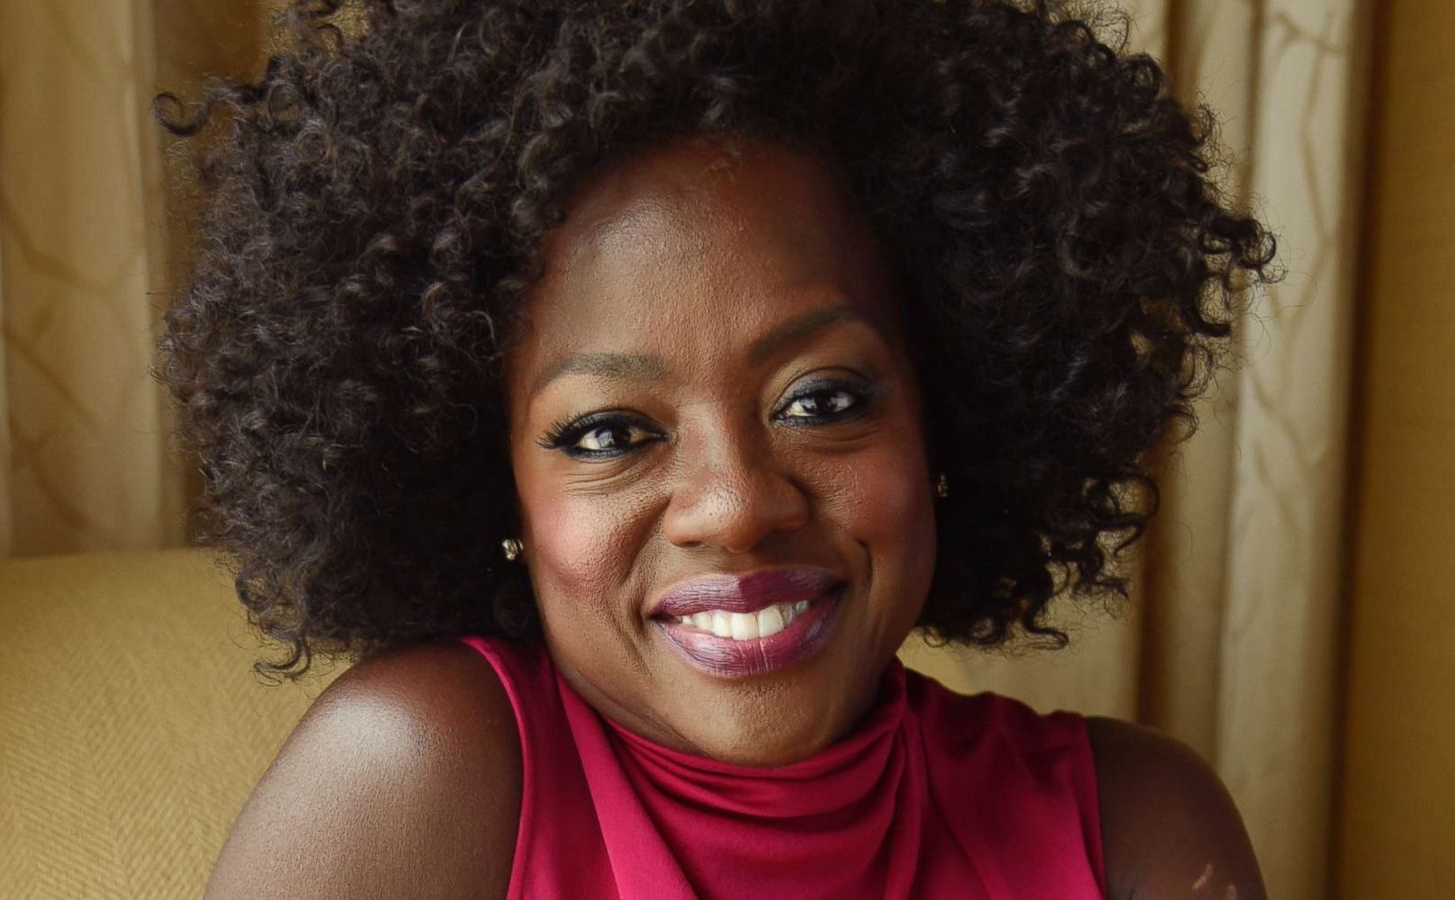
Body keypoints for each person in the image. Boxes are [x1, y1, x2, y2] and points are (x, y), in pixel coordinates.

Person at [154, 0, 1280, 896]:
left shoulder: (1132, 829)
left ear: (947, 411)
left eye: (822, 400)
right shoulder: (416, 781)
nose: (737, 505)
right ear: (495, 486)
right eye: (609, 433)